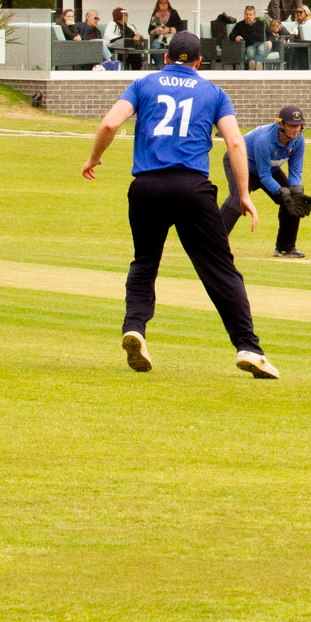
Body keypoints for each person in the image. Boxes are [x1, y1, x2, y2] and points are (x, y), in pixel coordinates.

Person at [81, 31, 278, 379]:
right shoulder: (214, 92)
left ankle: (135, 328)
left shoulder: (143, 84)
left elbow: (110, 123)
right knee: (219, 269)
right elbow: (234, 141)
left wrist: (94, 158)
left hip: (147, 187)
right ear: (200, 61)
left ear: (166, 58)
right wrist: (244, 194)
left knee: (145, 262)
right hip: (192, 188)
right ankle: (248, 347)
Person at [220, 104, 309, 259]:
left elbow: (295, 170)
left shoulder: (299, 140)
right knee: (236, 200)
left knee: (294, 199)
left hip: (269, 170)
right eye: (291, 125)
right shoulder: (265, 139)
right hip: (241, 163)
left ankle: (285, 247)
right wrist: (281, 191)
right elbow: (264, 176)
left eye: (299, 126)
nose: (296, 130)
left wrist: (295, 191)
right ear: (281, 124)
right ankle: (212, 243)